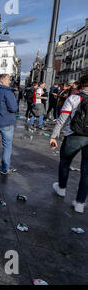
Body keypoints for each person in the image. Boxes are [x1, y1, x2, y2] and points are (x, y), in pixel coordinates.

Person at [50, 74, 88, 213]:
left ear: (80, 85)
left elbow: (62, 119)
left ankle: (61, 188)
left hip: (73, 135)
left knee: (65, 162)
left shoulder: (73, 98)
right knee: (86, 171)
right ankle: (80, 203)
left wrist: (54, 136)